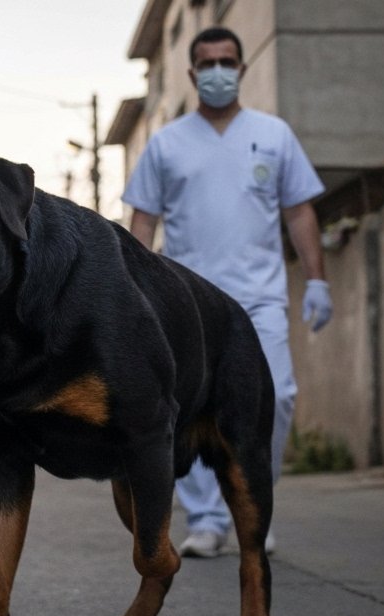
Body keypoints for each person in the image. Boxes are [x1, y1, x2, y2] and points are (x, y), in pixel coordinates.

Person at [123, 26, 332, 559]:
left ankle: (252, 504)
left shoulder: (275, 134)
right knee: (184, 410)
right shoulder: (166, 143)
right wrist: (133, 294)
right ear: (193, 74)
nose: (218, 70)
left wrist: (318, 281)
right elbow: (141, 223)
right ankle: (208, 519)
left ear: (240, 68)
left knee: (277, 396)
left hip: (259, 298)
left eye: (227, 61)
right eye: (208, 62)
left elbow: (300, 211)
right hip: (186, 305)